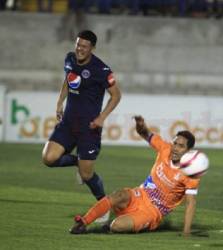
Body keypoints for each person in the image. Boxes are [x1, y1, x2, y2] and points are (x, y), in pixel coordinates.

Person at [70, 115, 208, 235]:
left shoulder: (190, 174)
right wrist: (141, 125)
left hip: (153, 212)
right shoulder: (165, 148)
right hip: (140, 194)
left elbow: (191, 203)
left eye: (181, 146)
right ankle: (83, 222)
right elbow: (145, 133)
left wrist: (186, 231)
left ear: (189, 150)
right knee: (119, 195)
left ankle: (119, 223)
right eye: (175, 143)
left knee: (116, 226)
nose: (175, 148)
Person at [42, 30, 121, 223]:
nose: (79, 49)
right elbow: (68, 80)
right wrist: (60, 101)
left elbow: (116, 95)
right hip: (68, 123)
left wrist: (102, 117)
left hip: (89, 128)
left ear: (92, 48)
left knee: (87, 175)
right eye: (78, 45)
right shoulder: (69, 59)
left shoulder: (102, 70)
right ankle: (78, 160)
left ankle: (103, 205)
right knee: (48, 158)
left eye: (84, 46)